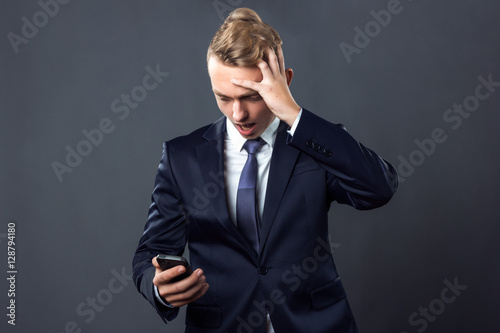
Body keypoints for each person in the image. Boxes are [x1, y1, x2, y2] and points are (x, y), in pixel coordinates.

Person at [133, 7, 398, 333]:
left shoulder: (316, 145)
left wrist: (294, 114)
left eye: (251, 96)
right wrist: (159, 287)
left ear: (283, 83)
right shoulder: (181, 156)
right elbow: (150, 253)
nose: (238, 113)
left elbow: (378, 188)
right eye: (223, 97)